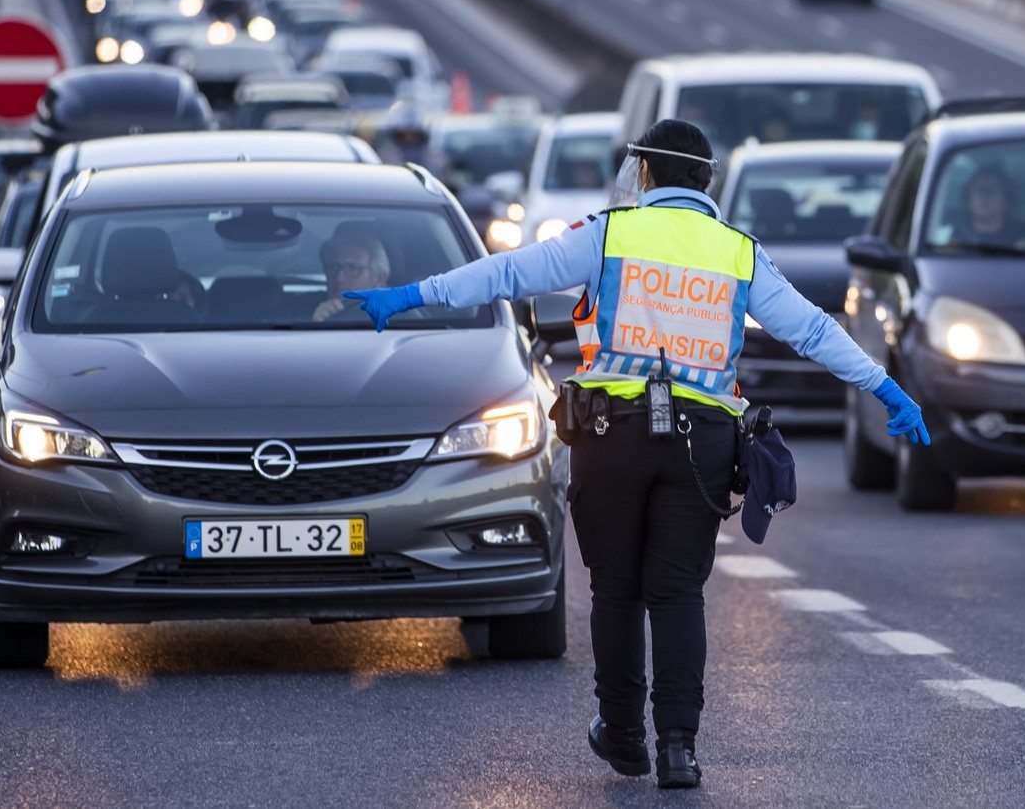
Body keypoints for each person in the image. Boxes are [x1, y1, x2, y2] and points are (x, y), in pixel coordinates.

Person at [342, 119, 930, 790]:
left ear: (646, 173)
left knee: (617, 589)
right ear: (705, 182)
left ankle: (622, 735)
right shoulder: (737, 252)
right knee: (677, 592)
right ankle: (679, 746)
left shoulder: (609, 234)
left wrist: (411, 296)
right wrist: (884, 388)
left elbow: (509, 273)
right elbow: (813, 329)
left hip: (609, 435)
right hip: (702, 443)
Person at [314, 226, 390, 322]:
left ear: (379, 278)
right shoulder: (300, 311)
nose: (339, 278)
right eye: (333, 267)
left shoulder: (399, 316)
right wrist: (317, 325)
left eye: (352, 268)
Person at [958, 168, 1025, 247]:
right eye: (980, 189)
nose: (985, 195)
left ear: (1006, 201)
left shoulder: (1022, 236)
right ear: (968, 200)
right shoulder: (955, 238)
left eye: (992, 190)